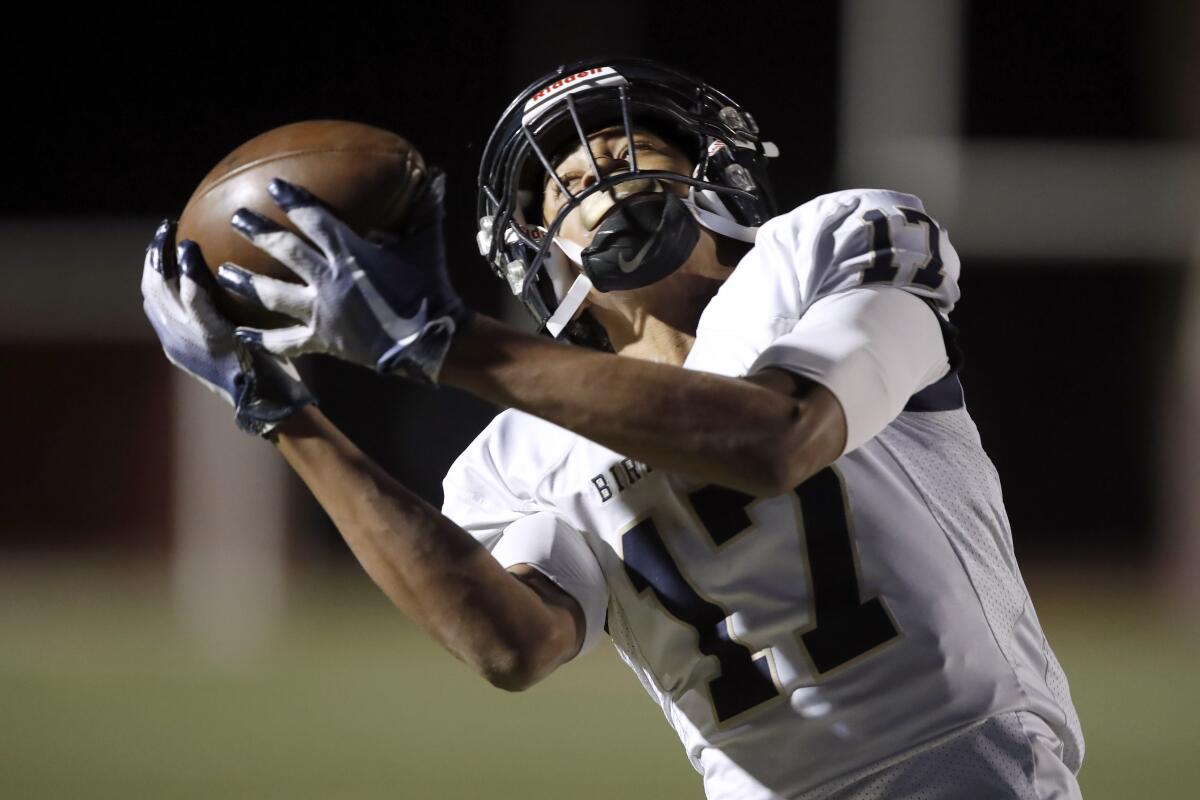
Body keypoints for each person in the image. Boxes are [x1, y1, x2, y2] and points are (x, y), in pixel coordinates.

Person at [141, 57, 1084, 799]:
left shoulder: (826, 249)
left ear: (713, 166)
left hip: (976, 771)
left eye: (629, 142)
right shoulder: (520, 455)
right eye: (563, 179)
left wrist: (444, 346)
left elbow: (778, 439)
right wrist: (284, 413)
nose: (597, 168)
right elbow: (511, 644)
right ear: (536, 249)